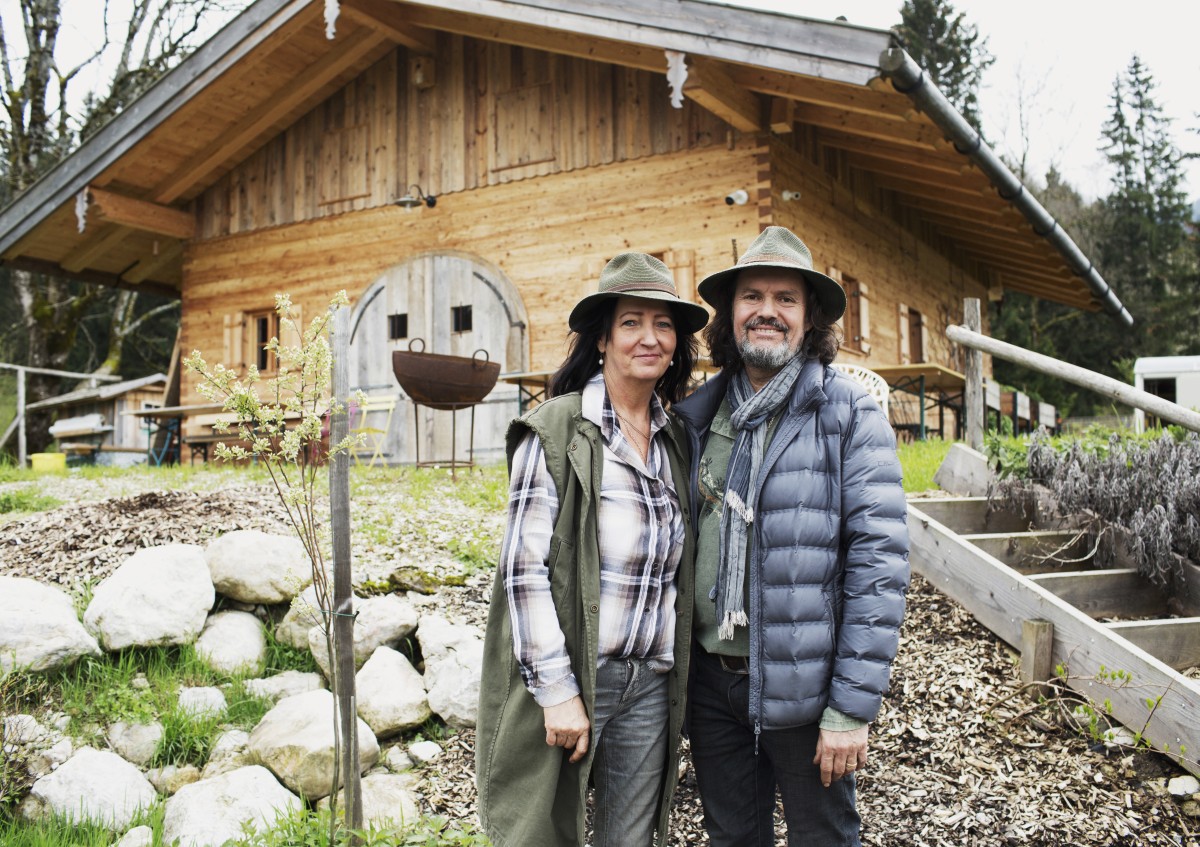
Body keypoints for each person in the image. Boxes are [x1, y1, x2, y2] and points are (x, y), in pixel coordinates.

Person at [674, 226, 910, 847]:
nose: (767, 312)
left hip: (806, 689)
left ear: (809, 318)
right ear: (731, 313)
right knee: (731, 837)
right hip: (713, 681)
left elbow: (879, 565)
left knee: (823, 838)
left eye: (786, 298)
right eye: (752, 296)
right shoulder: (698, 417)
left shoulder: (848, 414)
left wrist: (851, 709)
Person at [476, 252, 709, 847]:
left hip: (650, 684)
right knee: (540, 833)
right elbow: (523, 573)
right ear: (602, 338)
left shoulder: (676, 439)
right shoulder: (555, 430)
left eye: (663, 325)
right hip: (580, 675)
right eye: (631, 322)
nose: (649, 338)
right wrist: (557, 694)